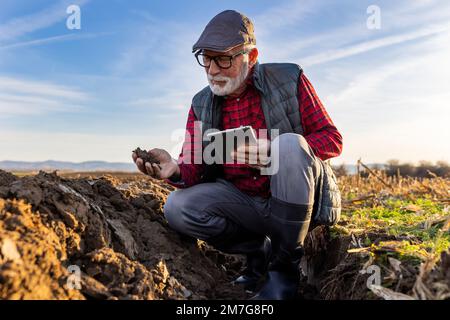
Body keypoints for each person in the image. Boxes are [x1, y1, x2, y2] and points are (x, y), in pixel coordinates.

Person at [132, 10, 343, 300]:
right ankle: (257, 250)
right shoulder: (201, 103)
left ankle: (282, 275)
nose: (212, 70)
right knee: (177, 207)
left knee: (290, 145)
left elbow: (332, 138)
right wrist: (175, 169)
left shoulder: (288, 78)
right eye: (206, 58)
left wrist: (274, 148)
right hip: (243, 204)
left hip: (295, 204)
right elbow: (193, 166)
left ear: (251, 55)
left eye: (223, 59)